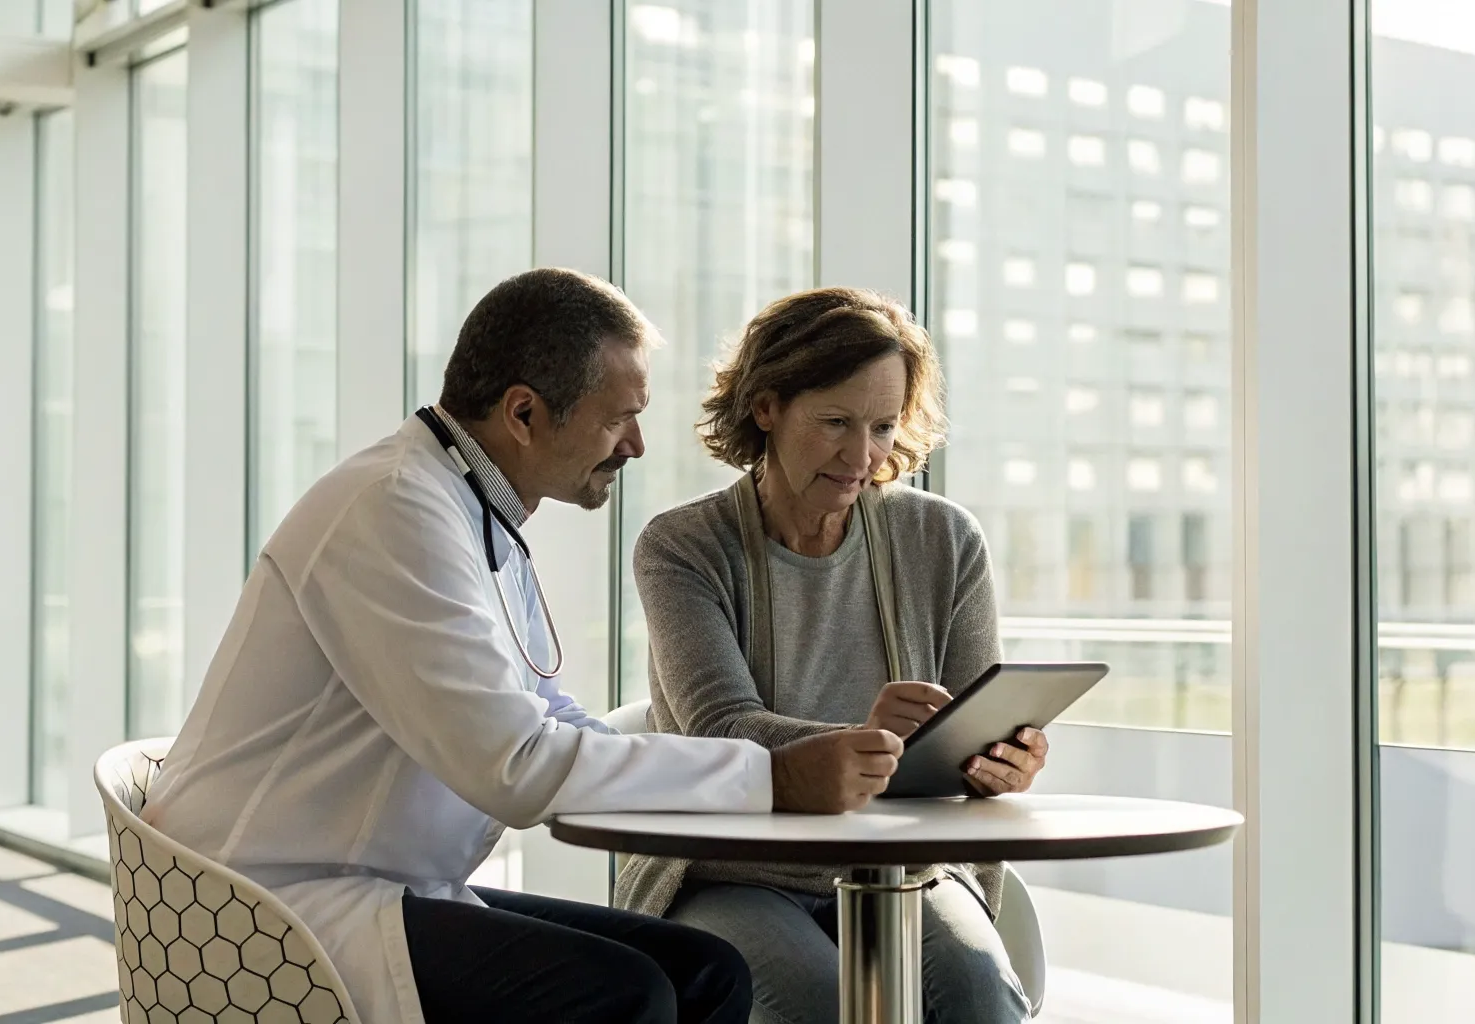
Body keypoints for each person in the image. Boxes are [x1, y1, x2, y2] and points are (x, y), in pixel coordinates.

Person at [139, 269, 906, 1024]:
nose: (636, 444)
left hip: (378, 882)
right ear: (525, 413)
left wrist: (700, 769)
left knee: (703, 974)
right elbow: (512, 766)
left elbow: (546, 712)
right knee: (629, 995)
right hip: (267, 903)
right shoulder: (395, 510)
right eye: (618, 419)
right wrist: (769, 777)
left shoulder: (465, 507)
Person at [615, 287, 1048, 1023]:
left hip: (905, 866)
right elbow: (720, 731)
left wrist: (1001, 758)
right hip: (730, 871)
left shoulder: (944, 542)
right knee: (819, 1002)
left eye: (883, 427)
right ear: (766, 407)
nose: (863, 457)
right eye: (836, 423)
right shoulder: (682, 547)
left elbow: (970, 723)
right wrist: (867, 737)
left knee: (979, 998)